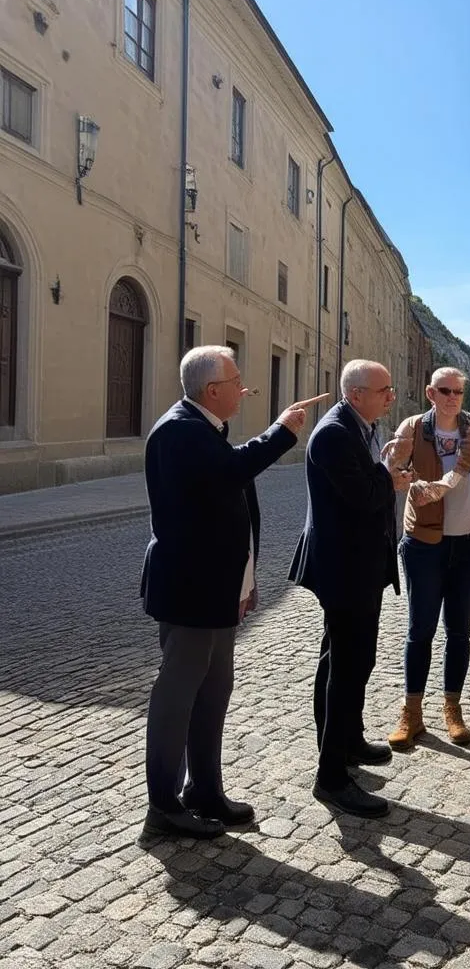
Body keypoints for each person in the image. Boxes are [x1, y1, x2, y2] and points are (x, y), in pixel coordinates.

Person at [141, 345, 321, 839]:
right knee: (178, 696)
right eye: (236, 381)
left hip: (216, 589)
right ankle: (163, 803)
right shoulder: (180, 430)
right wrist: (283, 431)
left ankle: (204, 790)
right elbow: (233, 472)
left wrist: (245, 580)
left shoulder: (205, 427)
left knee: (213, 692)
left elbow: (229, 505)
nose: (244, 389)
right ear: (212, 390)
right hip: (190, 590)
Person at [289, 359, 414, 818]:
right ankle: (332, 776)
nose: (391, 396)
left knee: (346, 659)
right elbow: (362, 495)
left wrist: (387, 474)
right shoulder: (333, 434)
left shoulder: (361, 425)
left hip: (361, 564)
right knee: (346, 664)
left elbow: (369, 486)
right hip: (343, 567)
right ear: (356, 393)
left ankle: (346, 741)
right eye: (384, 389)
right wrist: (392, 475)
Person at [386, 367, 470, 749]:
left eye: (458, 390)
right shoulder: (412, 428)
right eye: (445, 390)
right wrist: (400, 471)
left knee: (459, 630)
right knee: (420, 630)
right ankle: (412, 712)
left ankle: (452, 709)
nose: (452, 396)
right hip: (424, 543)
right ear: (430, 393)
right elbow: (394, 471)